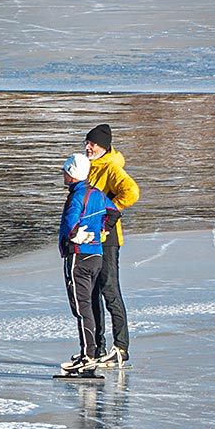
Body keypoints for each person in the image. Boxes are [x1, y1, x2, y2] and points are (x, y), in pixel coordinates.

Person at [84, 124, 140, 368]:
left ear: (104, 147)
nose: (88, 147)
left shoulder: (111, 167)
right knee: (92, 291)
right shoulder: (88, 166)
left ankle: (121, 347)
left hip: (108, 239)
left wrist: (109, 210)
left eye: (92, 144)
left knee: (109, 289)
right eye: (86, 142)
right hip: (89, 238)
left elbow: (131, 192)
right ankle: (98, 347)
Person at [57, 153, 117, 376]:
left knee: (81, 308)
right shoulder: (97, 194)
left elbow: (71, 224)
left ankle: (88, 356)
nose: (63, 174)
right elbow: (113, 212)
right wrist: (102, 230)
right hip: (96, 256)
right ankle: (89, 352)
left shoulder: (77, 197)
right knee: (90, 305)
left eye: (65, 171)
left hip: (78, 257)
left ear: (72, 174)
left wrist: (74, 236)